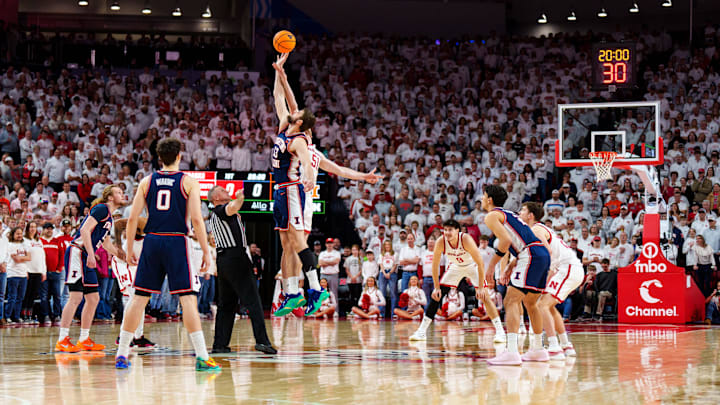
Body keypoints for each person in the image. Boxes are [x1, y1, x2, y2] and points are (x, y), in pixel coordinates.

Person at [270, 53, 381, 317]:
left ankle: (313, 289)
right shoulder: (286, 128)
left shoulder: (300, 142)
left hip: (293, 191)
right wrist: (279, 72)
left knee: (298, 242)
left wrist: (309, 175)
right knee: (287, 244)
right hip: (281, 192)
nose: (291, 110)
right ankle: (292, 293)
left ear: (299, 124)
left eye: (295, 114)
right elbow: (280, 98)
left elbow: (314, 163)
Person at [115, 138, 219, 371]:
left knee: (139, 298)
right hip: (176, 241)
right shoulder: (188, 182)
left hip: (151, 240)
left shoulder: (146, 180)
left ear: (159, 158)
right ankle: (202, 356)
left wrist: (130, 248)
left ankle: (122, 354)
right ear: (179, 156)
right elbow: (196, 220)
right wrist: (205, 251)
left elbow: (132, 218)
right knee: (188, 299)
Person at [483, 185, 551, 365]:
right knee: (530, 303)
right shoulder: (510, 214)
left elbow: (505, 241)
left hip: (529, 255)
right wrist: (510, 266)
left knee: (510, 300)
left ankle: (512, 352)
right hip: (540, 254)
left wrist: (491, 267)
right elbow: (524, 241)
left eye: (483, 196)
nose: (482, 200)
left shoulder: (491, 216)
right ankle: (538, 349)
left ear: (489, 199)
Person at [410, 219, 506, 343]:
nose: (447, 232)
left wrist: (481, 287)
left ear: (457, 231)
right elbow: (435, 265)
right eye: (445, 230)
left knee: (485, 297)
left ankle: (500, 332)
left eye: (450, 230)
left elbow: (480, 263)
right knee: (436, 296)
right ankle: (421, 331)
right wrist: (436, 286)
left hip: (473, 267)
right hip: (455, 267)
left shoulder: (466, 239)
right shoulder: (441, 241)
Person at [56, 184, 126, 353]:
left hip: (86, 253)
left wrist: (121, 254)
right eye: (118, 192)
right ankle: (62, 339)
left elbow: (106, 243)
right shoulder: (101, 208)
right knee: (75, 297)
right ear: (110, 197)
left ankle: (84, 339)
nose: (122, 194)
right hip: (77, 252)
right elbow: (85, 231)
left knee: (93, 298)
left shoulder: (109, 218)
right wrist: (89, 253)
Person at [207, 185, 276, 355]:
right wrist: (240, 198)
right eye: (222, 191)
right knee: (253, 300)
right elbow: (233, 207)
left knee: (226, 305)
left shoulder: (217, 213)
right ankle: (262, 341)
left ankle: (220, 344)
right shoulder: (221, 210)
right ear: (216, 197)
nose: (226, 192)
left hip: (224, 261)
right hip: (235, 258)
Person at [519, 202, 582, 360]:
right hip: (567, 268)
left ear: (530, 215)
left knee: (542, 305)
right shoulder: (536, 230)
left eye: (522, 210)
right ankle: (566, 345)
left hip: (566, 267)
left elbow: (548, 252)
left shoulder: (536, 229)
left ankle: (554, 347)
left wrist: (547, 274)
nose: (519, 213)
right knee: (550, 307)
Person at [110, 217, 156, 348]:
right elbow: (118, 224)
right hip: (122, 263)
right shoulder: (144, 222)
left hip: (136, 265)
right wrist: (118, 246)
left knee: (140, 301)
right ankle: (123, 336)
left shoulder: (159, 234)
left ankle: (138, 337)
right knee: (134, 300)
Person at [40, 222, 63, 325]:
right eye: (47, 229)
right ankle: (46, 315)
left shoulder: (57, 241)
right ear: (43, 230)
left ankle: (57, 315)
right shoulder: (40, 241)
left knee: (57, 295)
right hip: (44, 273)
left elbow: (62, 255)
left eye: (51, 229)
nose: (49, 231)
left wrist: (59, 268)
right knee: (44, 296)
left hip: (55, 273)